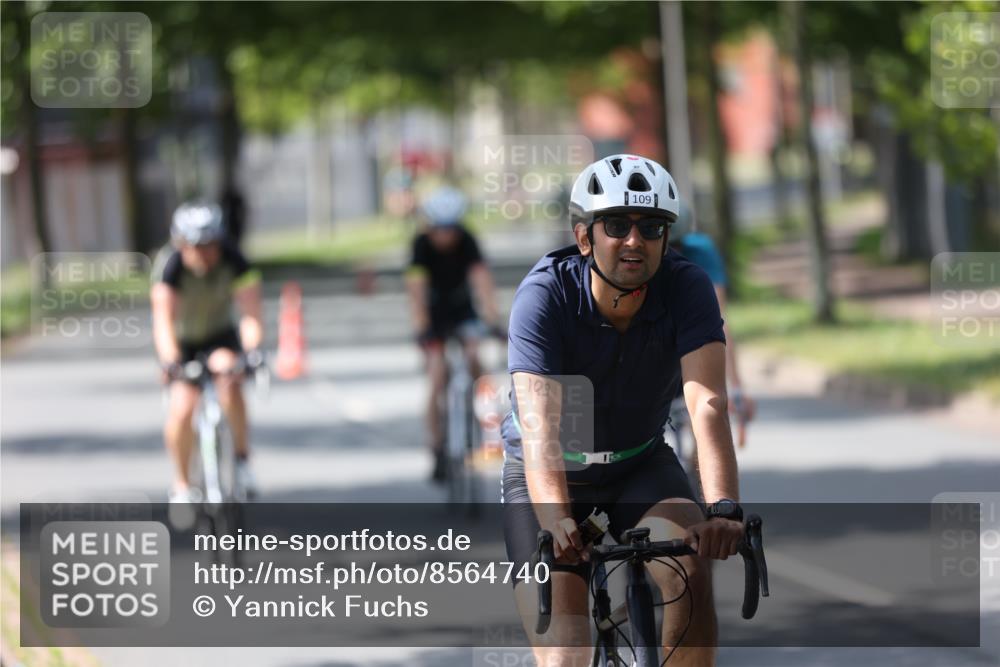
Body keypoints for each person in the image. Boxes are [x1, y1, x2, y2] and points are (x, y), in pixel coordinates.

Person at [501, 155, 744, 666]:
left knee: (690, 572)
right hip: (551, 472)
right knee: (565, 654)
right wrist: (555, 517)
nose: (634, 240)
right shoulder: (545, 296)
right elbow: (539, 425)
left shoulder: (686, 287)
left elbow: (708, 401)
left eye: (651, 227)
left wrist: (721, 508)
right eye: (616, 225)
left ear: (666, 237)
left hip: (639, 465)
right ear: (585, 237)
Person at [151, 201, 264, 503]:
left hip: (219, 335)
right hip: (183, 343)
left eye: (211, 244)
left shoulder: (234, 259)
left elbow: (251, 314)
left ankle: (241, 461)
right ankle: (182, 484)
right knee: (182, 409)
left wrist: (252, 351)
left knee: (229, 376)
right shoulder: (169, 267)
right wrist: (170, 362)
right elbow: (163, 322)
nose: (204, 253)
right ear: (181, 244)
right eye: (196, 246)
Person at [404, 186, 502, 483]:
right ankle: (436, 449)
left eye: (451, 228)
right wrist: (421, 327)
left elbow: (482, 280)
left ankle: (491, 429)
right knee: (436, 376)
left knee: (475, 359)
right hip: (433, 313)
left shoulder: (468, 240)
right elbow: (416, 290)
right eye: (439, 229)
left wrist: (493, 319)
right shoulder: (421, 244)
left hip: (462, 310)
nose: (445, 235)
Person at [669, 201, 756, 454]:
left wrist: (735, 386)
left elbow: (718, 320)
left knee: (705, 420)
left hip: (690, 341)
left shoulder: (702, 251)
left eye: (678, 245)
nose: (672, 253)